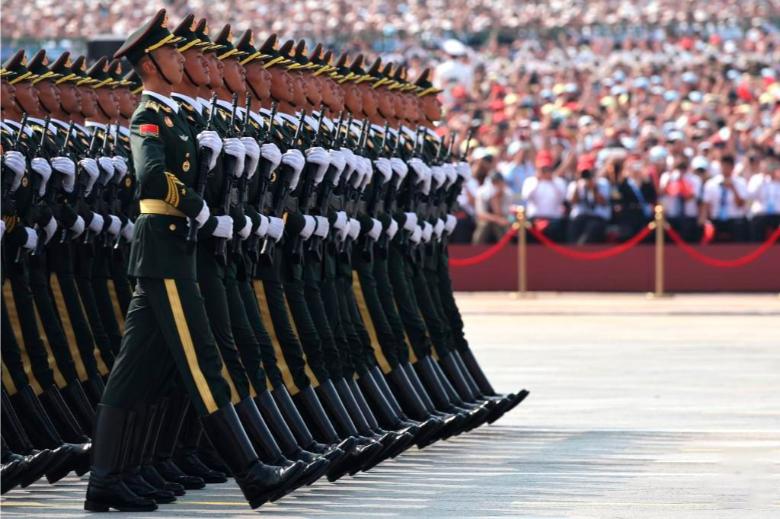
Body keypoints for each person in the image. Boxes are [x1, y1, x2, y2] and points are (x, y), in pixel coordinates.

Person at [85, 9, 300, 512]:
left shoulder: (176, 116)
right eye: (171, 53)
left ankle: (104, 481)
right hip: (165, 249)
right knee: (203, 362)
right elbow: (151, 177)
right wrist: (199, 208)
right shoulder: (148, 115)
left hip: (172, 251)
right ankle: (251, 474)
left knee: (133, 374)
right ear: (150, 63)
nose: (181, 60)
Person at [521, 149, 566, 242]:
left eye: (547, 168)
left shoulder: (558, 182)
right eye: (542, 169)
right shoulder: (530, 181)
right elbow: (526, 196)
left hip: (554, 220)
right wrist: (537, 180)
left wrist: (552, 181)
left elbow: (562, 198)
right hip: (534, 219)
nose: (545, 171)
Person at [701, 154, 749, 242]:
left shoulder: (740, 182)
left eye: (728, 167)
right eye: (724, 166)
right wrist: (705, 221)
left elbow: (741, 204)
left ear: (732, 167)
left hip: (735, 220)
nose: (725, 169)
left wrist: (733, 188)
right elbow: (706, 204)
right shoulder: (711, 183)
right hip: (716, 220)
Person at [566, 155, 611, 244]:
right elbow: (573, 202)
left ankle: (581, 249)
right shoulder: (575, 185)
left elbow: (602, 202)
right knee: (573, 227)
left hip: (597, 217)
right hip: (579, 217)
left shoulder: (603, 183)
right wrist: (578, 186)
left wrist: (594, 188)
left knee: (592, 228)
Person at [659, 156, 704, 242]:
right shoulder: (666, 177)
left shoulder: (694, 179)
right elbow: (662, 193)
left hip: (689, 217)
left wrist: (682, 184)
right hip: (671, 216)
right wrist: (671, 180)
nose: (681, 169)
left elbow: (690, 196)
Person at [747, 154, 780, 241]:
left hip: (778, 214)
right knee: (757, 222)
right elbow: (750, 195)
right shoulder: (756, 178)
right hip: (761, 214)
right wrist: (762, 178)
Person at [472, 171, 512, 244]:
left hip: (501, 220)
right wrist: (497, 219)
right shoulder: (481, 192)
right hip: (485, 220)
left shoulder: (507, 194)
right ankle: (477, 247)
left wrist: (496, 200)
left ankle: (506, 248)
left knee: (503, 227)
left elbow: (506, 214)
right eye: (494, 183)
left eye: (498, 182)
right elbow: (480, 214)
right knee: (484, 225)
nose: (496, 185)